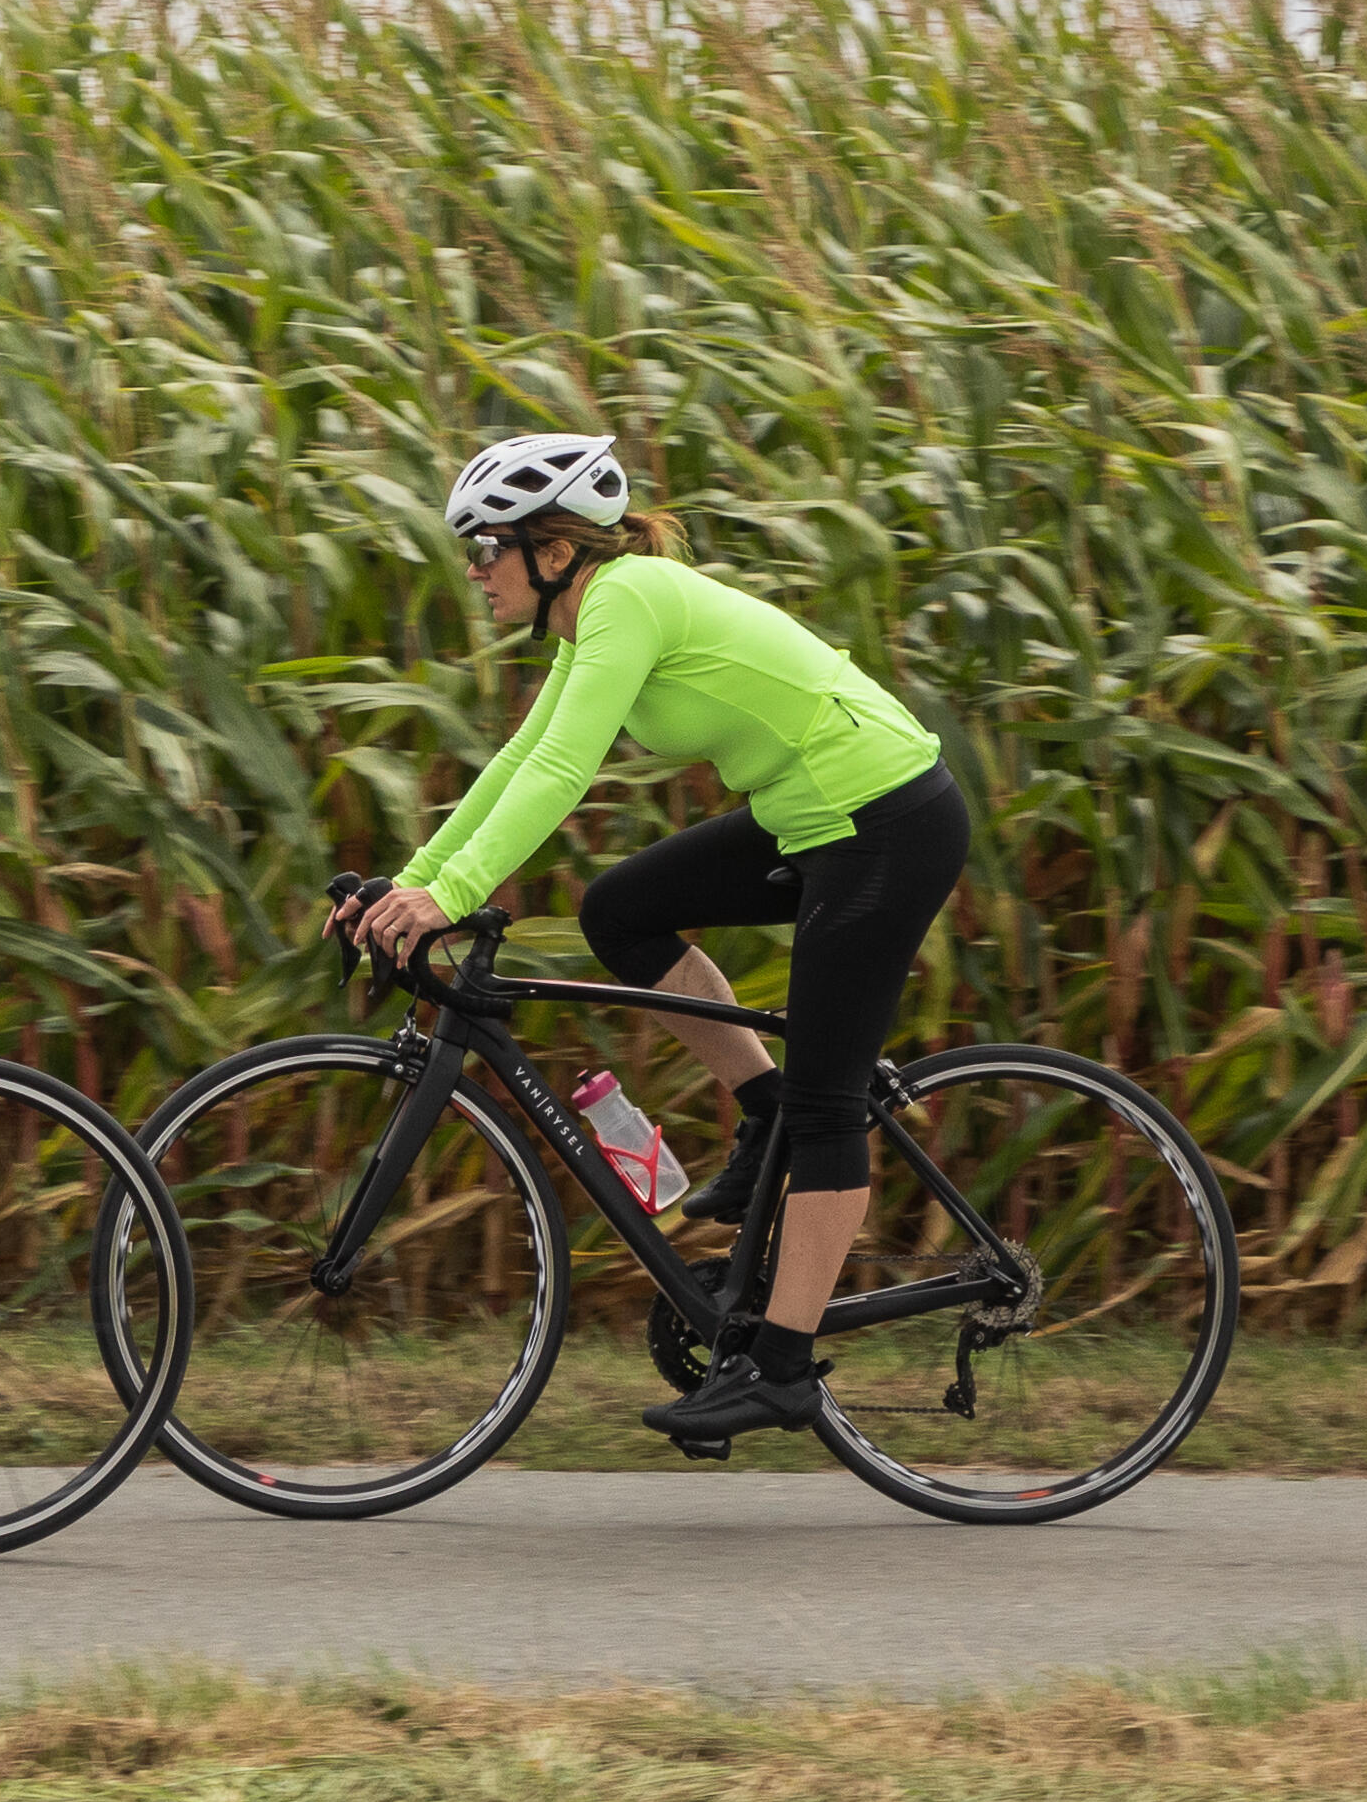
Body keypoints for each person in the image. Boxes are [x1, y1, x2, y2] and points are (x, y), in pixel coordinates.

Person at [337, 433, 968, 1444]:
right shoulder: (590, 621)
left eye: (485, 544)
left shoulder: (626, 597)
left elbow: (560, 775)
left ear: (551, 550)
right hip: (810, 816)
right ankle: (757, 1106)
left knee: (828, 1100)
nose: (472, 568)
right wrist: (412, 885)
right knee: (616, 912)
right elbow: (517, 760)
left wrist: (450, 892)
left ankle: (782, 1366)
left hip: (883, 819)